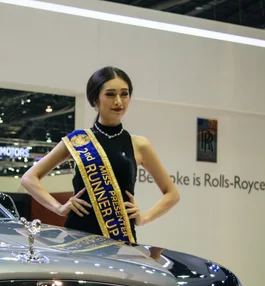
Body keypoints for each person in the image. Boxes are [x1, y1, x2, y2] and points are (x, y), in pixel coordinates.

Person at [20, 66, 179, 243]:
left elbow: (172, 193)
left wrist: (143, 218)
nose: (118, 101)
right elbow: (29, 178)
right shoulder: (78, 140)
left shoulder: (139, 144)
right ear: (95, 99)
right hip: (78, 236)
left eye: (124, 94)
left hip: (120, 239)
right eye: (110, 94)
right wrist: (58, 208)